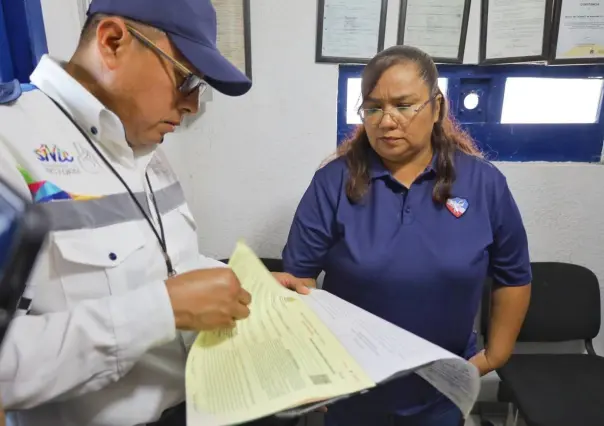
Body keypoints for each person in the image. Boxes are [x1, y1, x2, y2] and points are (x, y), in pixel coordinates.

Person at [0, 0, 255, 425]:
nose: (192, 105)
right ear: (113, 41)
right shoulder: (11, 144)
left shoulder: (145, 147)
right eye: (186, 78)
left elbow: (169, 264)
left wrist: (249, 284)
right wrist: (161, 311)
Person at [274, 45, 532, 426]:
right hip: (354, 388)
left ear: (437, 107)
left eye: (404, 105)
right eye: (374, 107)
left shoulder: (484, 183)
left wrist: (496, 355)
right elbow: (298, 281)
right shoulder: (333, 183)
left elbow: (513, 276)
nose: (387, 120)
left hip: (442, 388)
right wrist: (315, 366)